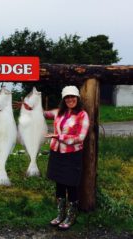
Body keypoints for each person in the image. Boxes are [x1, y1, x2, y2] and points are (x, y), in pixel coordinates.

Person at [44, 85, 90, 230]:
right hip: (57, 153)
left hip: (72, 155)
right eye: (67, 97)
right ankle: (60, 214)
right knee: (59, 184)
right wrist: (28, 107)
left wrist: (59, 136)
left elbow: (80, 137)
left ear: (77, 98)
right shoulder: (59, 112)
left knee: (71, 185)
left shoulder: (82, 115)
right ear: (63, 100)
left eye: (72, 97)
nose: (70, 99)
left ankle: (71, 216)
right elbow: (44, 114)